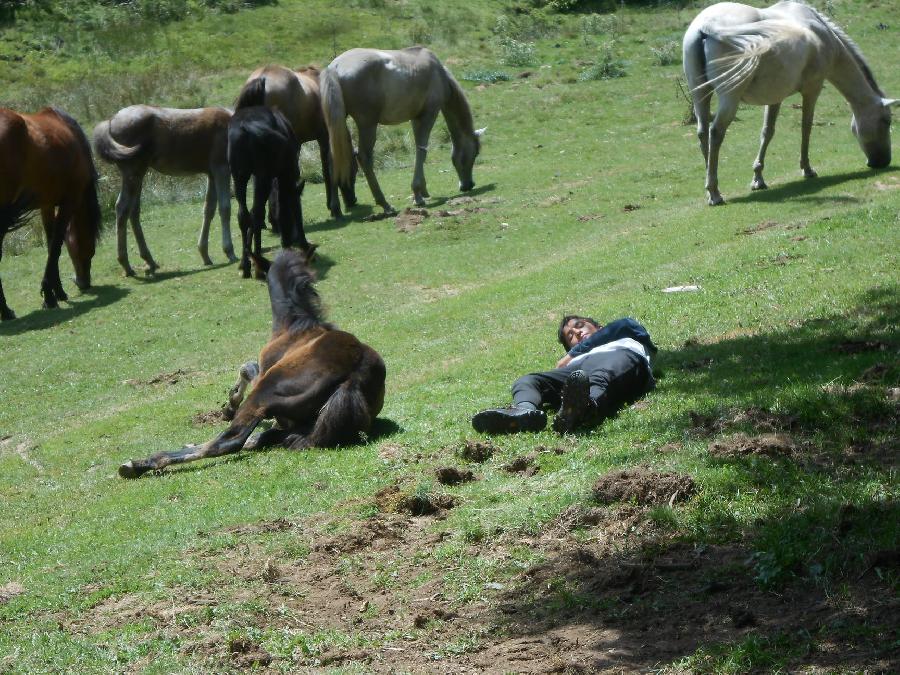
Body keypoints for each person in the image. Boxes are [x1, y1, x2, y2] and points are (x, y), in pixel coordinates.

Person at [471, 315, 657, 434]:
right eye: (570, 337)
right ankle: (524, 412)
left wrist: (572, 353)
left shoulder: (621, 334)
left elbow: (626, 324)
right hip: (577, 370)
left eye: (580, 325)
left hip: (619, 356)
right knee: (528, 380)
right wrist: (574, 357)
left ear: (598, 327)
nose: (576, 332)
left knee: (599, 376)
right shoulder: (572, 359)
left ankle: (585, 409)